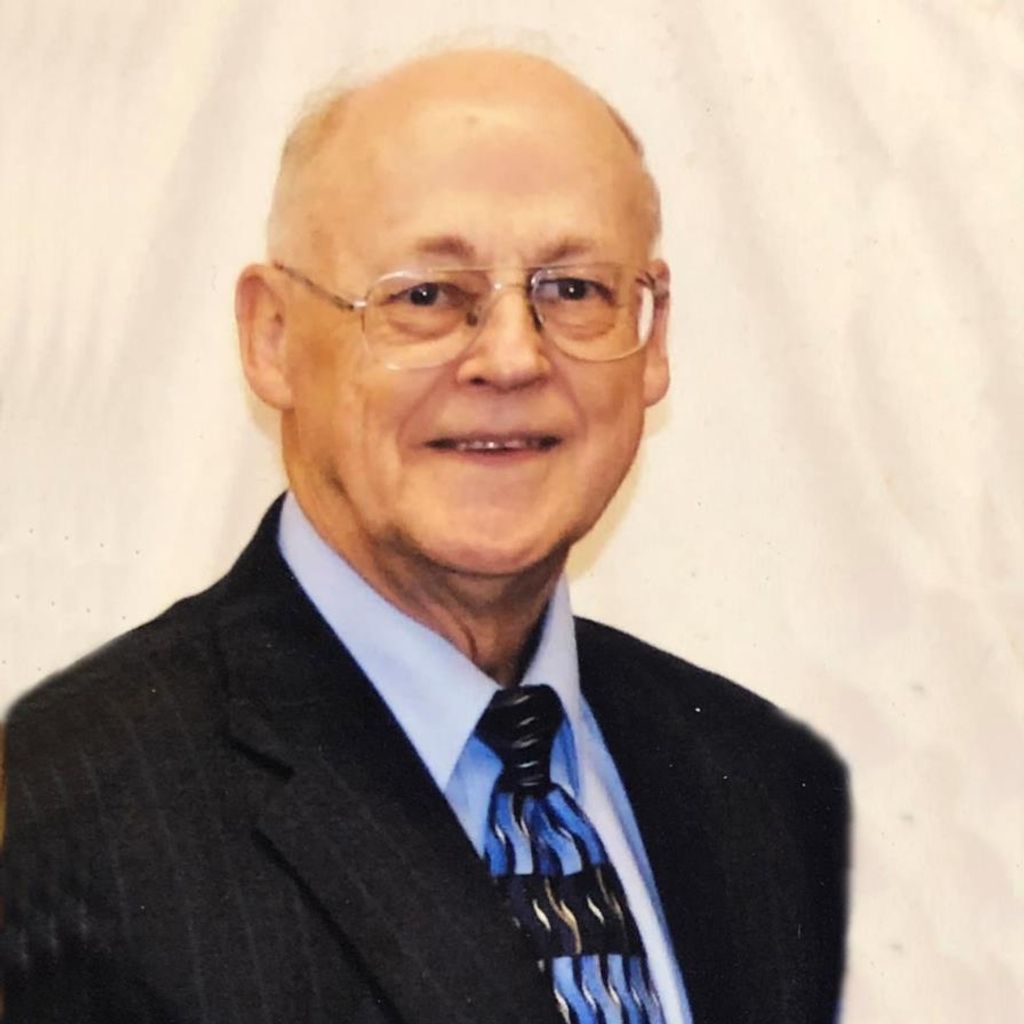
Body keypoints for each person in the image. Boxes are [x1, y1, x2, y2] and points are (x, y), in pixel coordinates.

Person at [2, 49, 848, 1024]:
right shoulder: (63, 822)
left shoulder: (764, 784)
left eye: (573, 290)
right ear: (273, 337)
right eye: (426, 295)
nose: (512, 358)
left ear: (651, 340)